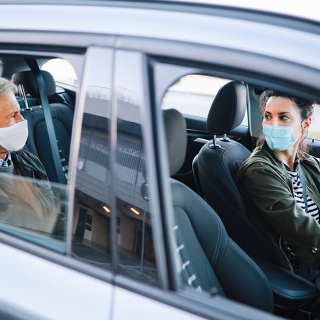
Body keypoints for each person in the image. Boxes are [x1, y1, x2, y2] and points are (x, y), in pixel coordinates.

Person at [234, 89, 320, 275]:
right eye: (268, 116)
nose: (273, 124)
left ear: (306, 124)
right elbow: (302, 229)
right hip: (305, 273)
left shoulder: (308, 164)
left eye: (283, 117)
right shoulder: (259, 171)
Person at [0, 77, 60, 234]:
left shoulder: (28, 160)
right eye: (13, 116)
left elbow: (53, 212)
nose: (22, 120)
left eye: (19, 112)